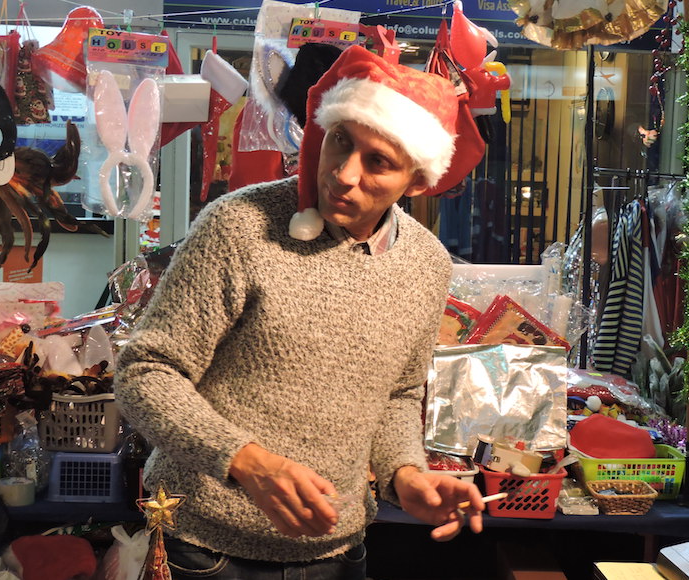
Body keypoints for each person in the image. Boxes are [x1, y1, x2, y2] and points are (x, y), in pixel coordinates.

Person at [114, 45, 485, 579]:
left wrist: (405, 473)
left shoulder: (426, 264)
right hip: (202, 549)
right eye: (341, 142)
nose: (344, 174)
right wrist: (244, 460)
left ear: (418, 181)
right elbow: (145, 372)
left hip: (338, 554)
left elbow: (398, 394)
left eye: (378, 162)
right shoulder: (238, 226)